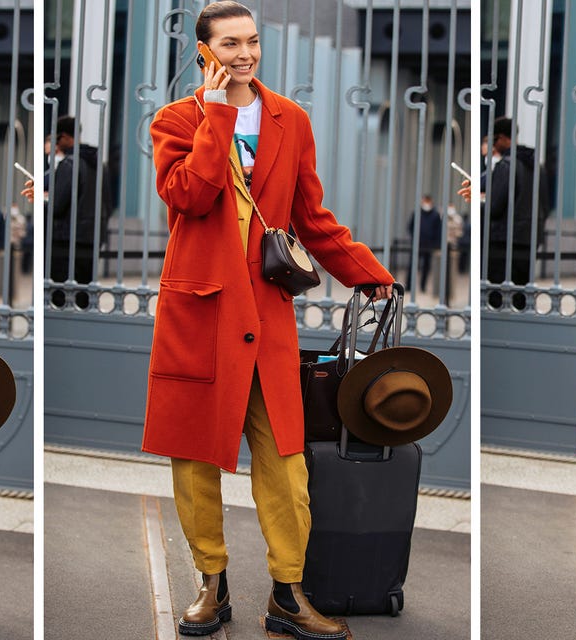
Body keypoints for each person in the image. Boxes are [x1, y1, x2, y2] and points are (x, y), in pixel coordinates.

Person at [142, 3, 393, 639]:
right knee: (196, 460)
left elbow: (311, 217)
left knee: (286, 464)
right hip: (199, 314)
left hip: (268, 319)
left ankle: (287, 593)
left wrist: (368, 271)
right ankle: (212, 585)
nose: (245, 54)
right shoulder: (176, 119)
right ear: (205, 50)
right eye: (230, 44)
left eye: (252, 41)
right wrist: (219, 110)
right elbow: (189, 196)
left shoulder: (292, 119)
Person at [482, 117, 549, 310]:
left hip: (504, 240)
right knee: (521, 298)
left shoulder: (506, 165)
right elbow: (544, 204)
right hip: (529, 239)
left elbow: (494, 207)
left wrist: (481, 200)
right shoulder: (538, 166)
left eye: (494, 140)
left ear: (503, 138)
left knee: (495, 299)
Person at [48, 115, 112, 308]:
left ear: (66, 137)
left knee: (60, 297)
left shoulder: (69, 163)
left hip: (67, 239)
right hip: (92, 238)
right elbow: (108, 204)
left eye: (56, 139)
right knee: (84, 296)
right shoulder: (100, 165)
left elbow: (57, 205)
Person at [406, 194, 442, 293]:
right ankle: (409, 286)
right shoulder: (417, 213)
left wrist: (435, 243)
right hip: (417, 243)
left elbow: (438, 230)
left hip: (429, 245)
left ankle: (423, 286)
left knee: (426, 266)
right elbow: (410, 227)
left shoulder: (435, 214)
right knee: (412, 265)